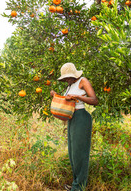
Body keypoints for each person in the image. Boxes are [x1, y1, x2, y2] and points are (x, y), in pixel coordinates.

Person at [50, 63, 98, 191]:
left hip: (82, 118)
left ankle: (79, 187)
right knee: (73, 154)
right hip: (72, 118)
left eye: (68, 77)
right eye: (65, 78)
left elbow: (94, 100)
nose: (66, 80)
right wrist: (56, 95)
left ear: (73, 74)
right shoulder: (69, 85)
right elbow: (67, 101)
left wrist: (77, 96)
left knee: (80, 154)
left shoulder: (83, 81)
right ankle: (76, 184)